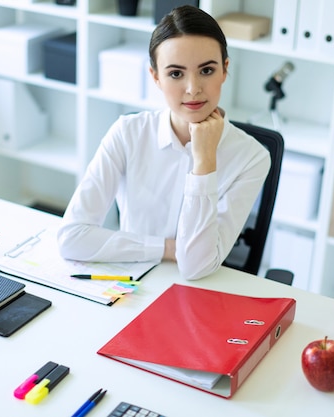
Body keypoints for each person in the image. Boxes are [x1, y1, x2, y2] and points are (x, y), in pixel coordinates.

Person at [57, 5, 270, 280]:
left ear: (225, 70)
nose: (193, 88)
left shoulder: (252, 157)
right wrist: (168, 248)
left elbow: (195, 267)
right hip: (130, 282)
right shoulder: (127, 133)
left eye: (206, 70)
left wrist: (204, 161)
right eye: (176, 74)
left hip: (200, 292)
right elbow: (72, 238)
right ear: (156, 77)